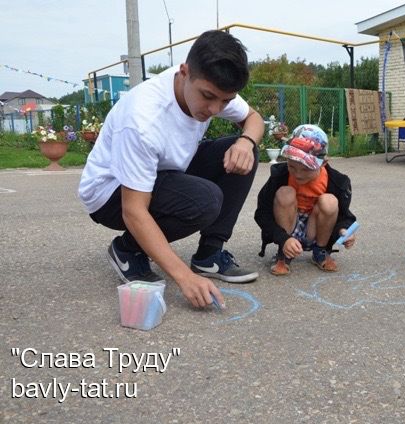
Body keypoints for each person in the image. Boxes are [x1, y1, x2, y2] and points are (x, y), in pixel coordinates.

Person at [78, 30, 265, 309]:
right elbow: (134, 210)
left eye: (225, 101)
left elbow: (254, 118)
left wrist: (247, 142)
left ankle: (209, 256)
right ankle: (127, 250)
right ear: (184, 72)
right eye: (208, 96)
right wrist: (183, 277)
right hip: (109, 194)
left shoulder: (212, 88)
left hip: (163, 173)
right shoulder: (143, 119)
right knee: (205, 200)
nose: (215, 109)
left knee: (242, 152)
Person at [254, 124, 357, 275]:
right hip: (289, 223)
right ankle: (284, 252)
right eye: (292, 167)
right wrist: (283, 238)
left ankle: (320, 250)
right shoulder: (279, 176)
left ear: (324, 163)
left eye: (306, 169)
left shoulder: (338, 181)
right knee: (285, 193)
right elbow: (262, 213)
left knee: (330, 201)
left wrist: (345, 230)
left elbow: (344, 215)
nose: (298, 174)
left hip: (316, 228)